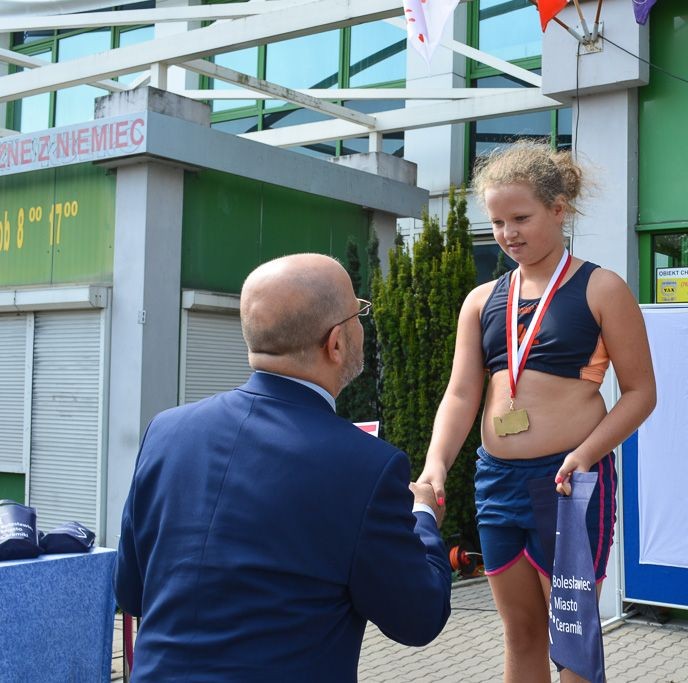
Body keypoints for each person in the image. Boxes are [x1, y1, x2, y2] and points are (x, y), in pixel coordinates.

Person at [114, 253, 451, 682]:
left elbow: (131, 591)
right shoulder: (367, 466)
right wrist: (422, 515)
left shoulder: (166, 432)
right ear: (336, 342)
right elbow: (418, 617)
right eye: (359, 313)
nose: (362, 326)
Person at [417, 140, 657, 681]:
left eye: (521, 218)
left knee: (570, 635)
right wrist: (436, 466)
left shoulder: (601, 288)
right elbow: (460, 394)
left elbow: (642, 392)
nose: (508, 234)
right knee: (521, 632)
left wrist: (586, 454)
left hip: (569, 484)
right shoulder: (480, 300)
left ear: (558, 209)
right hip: (496, 481)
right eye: (497, 222)